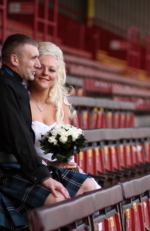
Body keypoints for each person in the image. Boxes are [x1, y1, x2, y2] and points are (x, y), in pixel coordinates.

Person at [0, 34, 96, 231]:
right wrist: (45, 177)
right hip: (1, 170)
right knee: (58, 201)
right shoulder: (0, 87)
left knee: (90, 188)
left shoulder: (13, 84)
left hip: (21, 166)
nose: (39, 66)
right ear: (15, 60)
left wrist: (50, 167)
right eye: (35, 59)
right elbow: (17, 138)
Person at [28, 42, 100, 189]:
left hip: (60, 167)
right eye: (41, 67)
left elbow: (65, 145)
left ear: (57, 74)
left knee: (92, 189)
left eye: (51, 70)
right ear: (33, 67)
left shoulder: (61, 104)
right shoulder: (22, 101)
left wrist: (67, 162)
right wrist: (48, 164)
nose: (45, 73)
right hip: (34, 168)